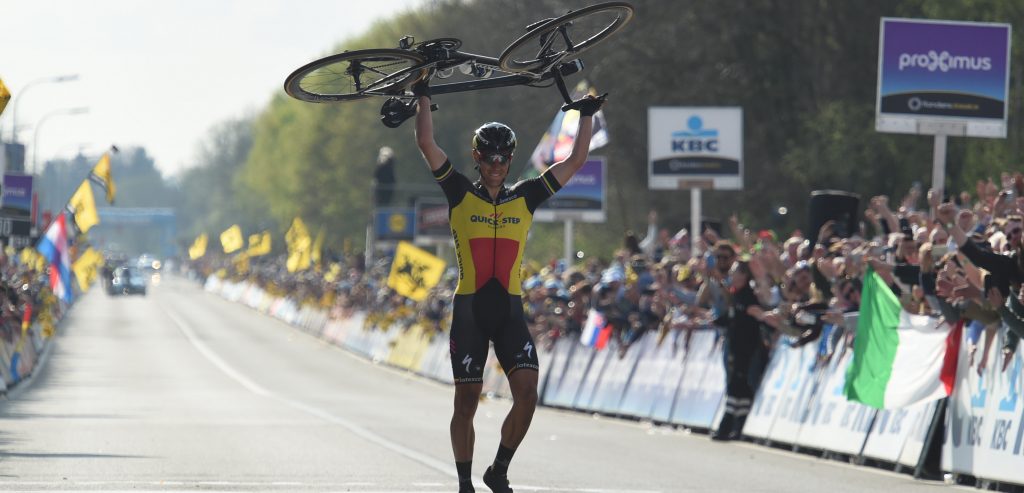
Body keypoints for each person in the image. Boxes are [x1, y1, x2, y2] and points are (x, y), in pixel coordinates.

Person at [413, 79, 606, 493]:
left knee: (528, 394)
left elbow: (575, 161)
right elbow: (426, 142)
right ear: (478, 158)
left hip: (509, 313)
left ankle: (497, 469)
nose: (497, 164)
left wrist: (585, 116)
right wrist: (423, 95)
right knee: (466, 402)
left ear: (511, 158)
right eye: (490, 157)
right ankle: (464, 482)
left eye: (504, 158)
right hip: (470, 310)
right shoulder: (459, 192)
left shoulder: (527, 195)